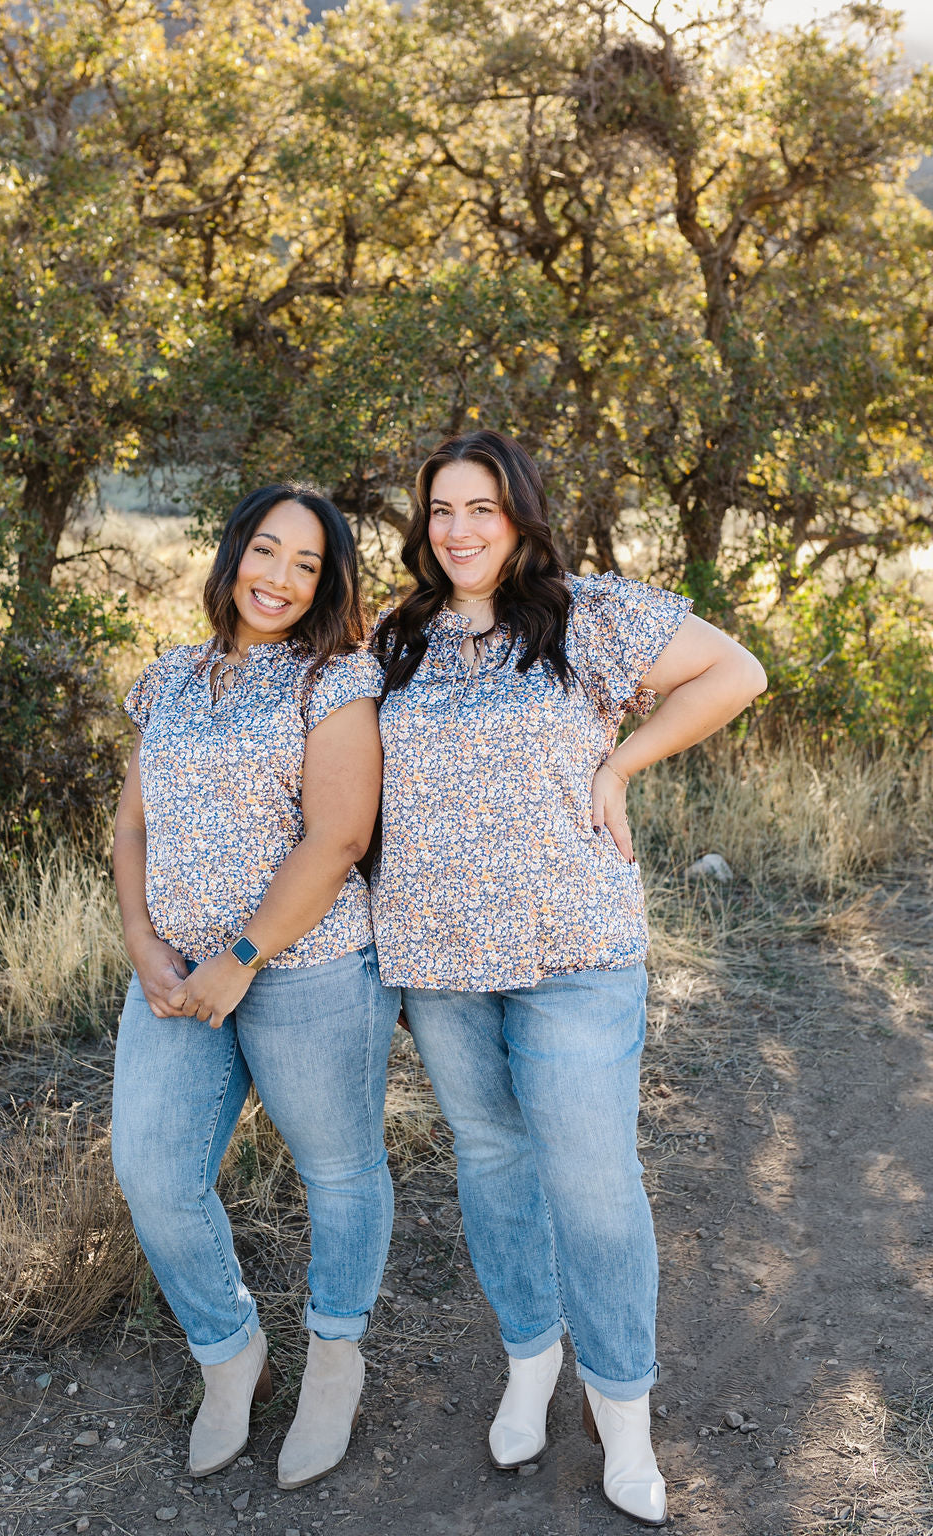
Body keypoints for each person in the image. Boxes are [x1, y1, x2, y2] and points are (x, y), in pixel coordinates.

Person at [371, 430, 766, 1527]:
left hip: (574, 950)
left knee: (591, 1179)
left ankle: (623, 1412)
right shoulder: (393, 639)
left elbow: (737, 671)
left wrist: (621, 762)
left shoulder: (587, 614)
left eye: (481, 509)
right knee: (494, 1165)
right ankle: (529, 1363)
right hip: (436, 958)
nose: (458, 530)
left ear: (521, 517)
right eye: (440, 510)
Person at [111, 485, 400, 1490]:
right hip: (176, 972)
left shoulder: (336, 680)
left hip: (310, 969)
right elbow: (133, 825)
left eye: (307, 564)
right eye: (266, 552)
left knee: (338, 1168)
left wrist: (241, 959)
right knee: (152, 1169)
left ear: (327, 584)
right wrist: (143, 938)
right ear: (233, 555)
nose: (279, 578)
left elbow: (338, 837)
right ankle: (229, 1353)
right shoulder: (169, 678)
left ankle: (333, 1357)